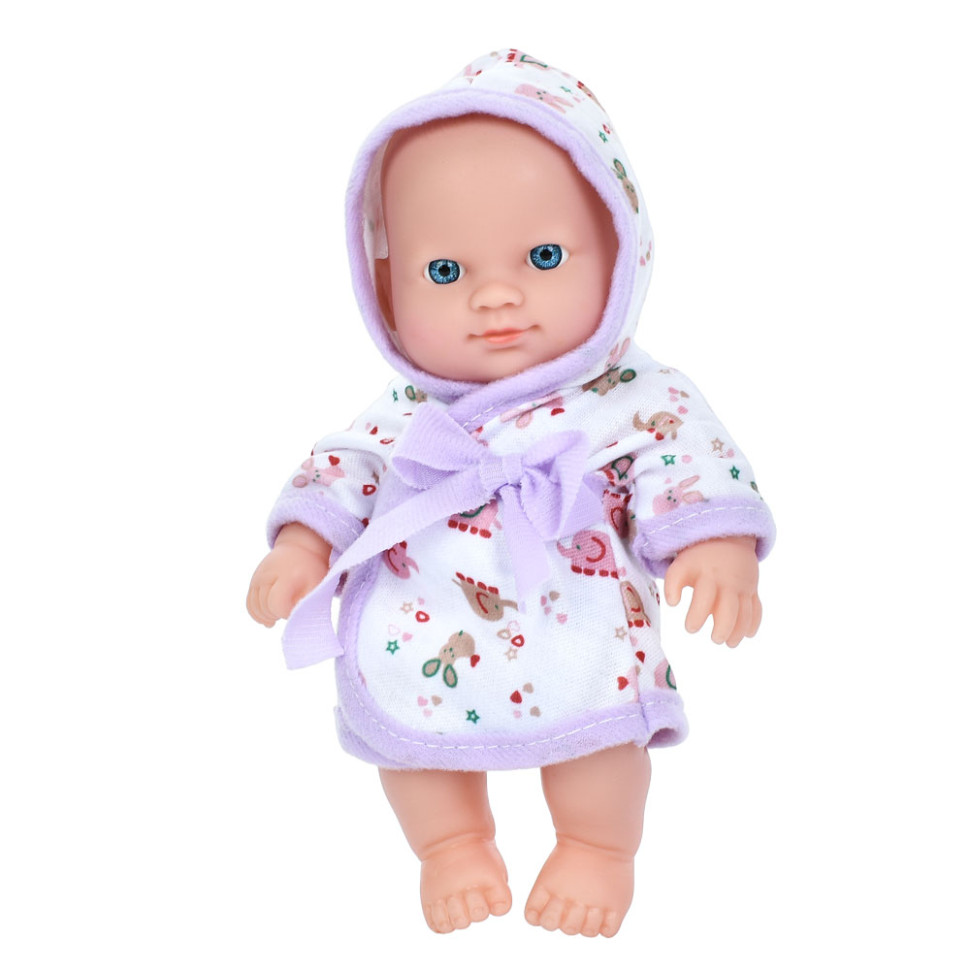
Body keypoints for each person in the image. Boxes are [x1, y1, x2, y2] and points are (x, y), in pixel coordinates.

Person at [247, 49, 775, 937]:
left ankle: (597, 848)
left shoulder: (631, 393)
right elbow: (348, 463)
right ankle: (450, 846)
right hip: (428, 614)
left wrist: (713, 542)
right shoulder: (413, 408)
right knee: (409, 741)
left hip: (574, 613)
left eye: (543, 256)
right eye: (444, 273)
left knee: (600, 738)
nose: (496, 297)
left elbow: (687, 457)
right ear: (384, 282)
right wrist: (303, 543)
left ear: (621, 254)